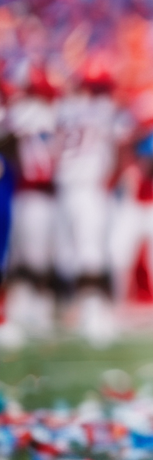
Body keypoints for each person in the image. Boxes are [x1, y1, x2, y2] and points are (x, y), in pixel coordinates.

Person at [53, 62, 127, 346]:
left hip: (65, 187)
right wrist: (111, 180)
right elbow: (121, 147)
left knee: (72, 254)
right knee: (91, 255)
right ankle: (92, 315)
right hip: (89, 189)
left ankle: (82, 311)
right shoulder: (107, 111)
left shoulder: (67, 109)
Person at [3, 70, 60, 342]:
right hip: (37, 192)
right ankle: (32, 307)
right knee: (30, 256)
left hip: (28, 191)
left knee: (25, 256)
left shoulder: (24, 112)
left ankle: (32, 307)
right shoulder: (51, 113)